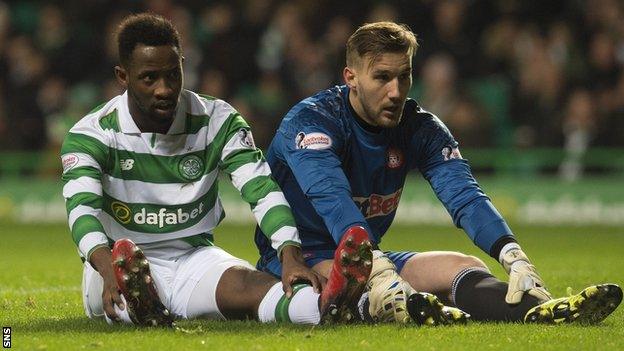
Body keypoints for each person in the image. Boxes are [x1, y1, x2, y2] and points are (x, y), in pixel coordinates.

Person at [255, 21, 622, 324]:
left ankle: (542, 311)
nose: (395, 91)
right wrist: (378, 269)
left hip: (370, 256)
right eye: (382, 77)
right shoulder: (312, 122)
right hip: (300, 260)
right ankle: (392, 302)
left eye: (404, 76)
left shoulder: (419, 127)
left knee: (464, 266)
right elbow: (331, 197)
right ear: (351, 77)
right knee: (371, 285)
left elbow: (463, 194)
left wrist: (512, 253)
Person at [60, 13, 374, 327]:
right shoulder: (91, 135)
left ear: (183, 64)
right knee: (124, 291)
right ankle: (139, 303)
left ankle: (330, 305)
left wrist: (290, 254)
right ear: (122, 76)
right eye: (149, 78)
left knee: (252, 285)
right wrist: (106, 269)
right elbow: (82, 211)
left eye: (172, 74)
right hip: (114, 261)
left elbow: (261, 188)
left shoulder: (217, 120)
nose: (164, 89)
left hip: (192, 256)